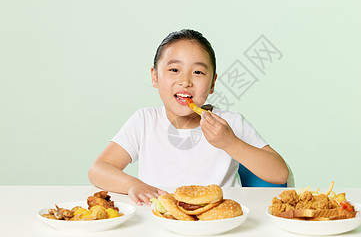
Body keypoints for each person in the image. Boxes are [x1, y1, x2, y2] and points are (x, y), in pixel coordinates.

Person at [88, 29, 289, 206]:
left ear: (212, 84)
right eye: (174, 70)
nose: (185, 81)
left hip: (219, 226)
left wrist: (230, 143)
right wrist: (133, 185)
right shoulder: (144, 121)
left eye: (198, 72)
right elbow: (98, 169)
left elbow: (280, 174)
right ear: (155, 77)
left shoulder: (230, 123)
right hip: (159, 223)